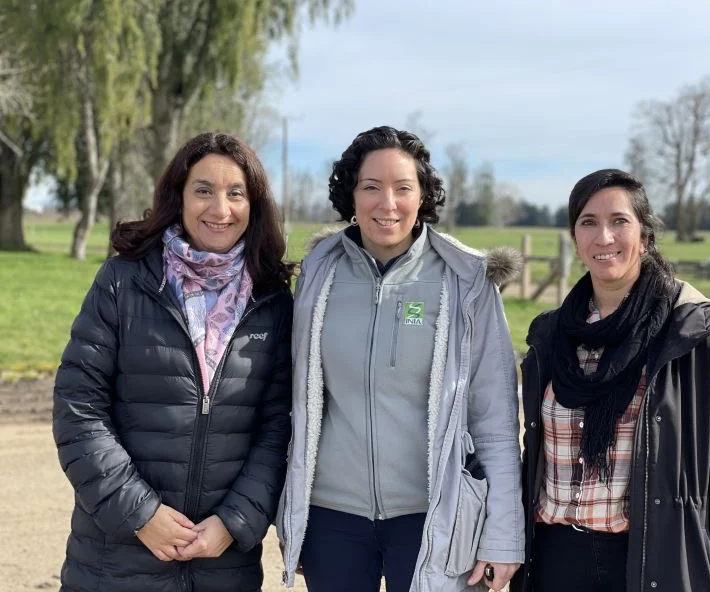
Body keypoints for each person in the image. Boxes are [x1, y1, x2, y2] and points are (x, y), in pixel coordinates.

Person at [277, 125, 524, 591]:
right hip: (333, 520)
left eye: (402, 188)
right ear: (350, 195)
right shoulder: (317, 273)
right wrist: (295, 519)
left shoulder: (466, 280)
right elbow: (299, 403)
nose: (386, 204)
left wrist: (504, 535)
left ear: (423, 196)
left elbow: (495, 419)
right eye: (371, 187)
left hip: (437, 516)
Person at [52, 132, 293, 592]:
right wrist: (139, 514)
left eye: (235, 193)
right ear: (178, 196)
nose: (219, 209)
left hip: (225, 566)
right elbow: (78, 407)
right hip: (114, 562)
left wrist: (234, 521)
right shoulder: (122, 282)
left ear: (254, 204)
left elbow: (278, 427)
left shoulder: (272, 300)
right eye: (203, 190)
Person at [511, 169, 710, 592]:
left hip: (649, 560)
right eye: (588, 222)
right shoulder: (550, 336)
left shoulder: (693, 332)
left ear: (645, 237)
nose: (604, 237)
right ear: (575, 239)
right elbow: (528, 454)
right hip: (554, 558)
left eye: (619, 221)